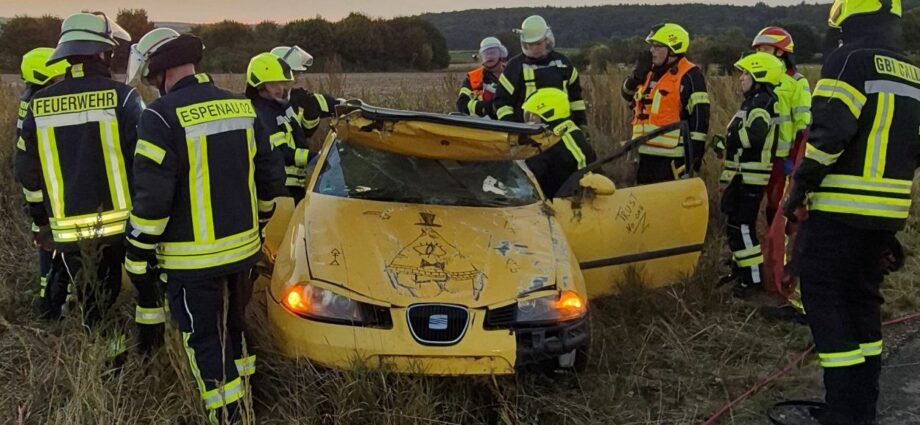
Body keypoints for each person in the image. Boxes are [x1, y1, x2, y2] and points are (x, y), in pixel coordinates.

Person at [125, 28, 286, 423]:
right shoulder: (241, 108)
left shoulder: (160, 117)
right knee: (235, 325)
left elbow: (152, 200)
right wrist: (261, 222)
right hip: (244, 251)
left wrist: (138, 251)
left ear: (160, 72)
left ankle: (227, 415)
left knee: (204, 340)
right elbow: (270, 179)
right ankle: (251, 396)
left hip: (190, 260)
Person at [781, 0, 918, 422]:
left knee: (824, 299)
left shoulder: (849, 59)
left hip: (839, 208)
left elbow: (830, 132)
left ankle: (843, 410)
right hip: (887, 211)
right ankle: (862, 405)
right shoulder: (913, 72)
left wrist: (799, 186)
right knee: (862, 303)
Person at [15, 13, 141, 340]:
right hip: (119, 228)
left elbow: (26, 172)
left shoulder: (38, 105)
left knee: (86, 295)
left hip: (66, 230)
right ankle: (110, 353)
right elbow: (145, 162)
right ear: (103, 53)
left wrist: (42, 220)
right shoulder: (123, 97)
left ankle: (79, 341)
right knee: (114, 296)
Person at [715, 52, 785, 294]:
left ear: (759, 76)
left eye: (746, 73)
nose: (741, 78)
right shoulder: (755, 100)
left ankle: (751, 282)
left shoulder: (761, 103)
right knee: (736, 227)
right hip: (742, 176)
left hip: (749, 178)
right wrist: (724, 145)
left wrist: (731, 139)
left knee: (742, 228)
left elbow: (755, 135)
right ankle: (740, 273)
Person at [622, 23, 709, 184]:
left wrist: (693, 158)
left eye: (657, 47)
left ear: (673, 48)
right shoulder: (648, 71)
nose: (651, 51)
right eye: (651, 47)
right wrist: (635, 77)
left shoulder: (691, 75)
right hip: (644, 155)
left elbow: (699, 119)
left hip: (671, 159)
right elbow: (627, 96)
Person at [14, 47, 69, 304]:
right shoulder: (43, 104)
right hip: (49, 189)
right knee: (52, 244)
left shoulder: (31, 100)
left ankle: (48, 295)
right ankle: (53, 300)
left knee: (45, 241)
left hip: (37, 191)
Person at [751, 26, 813, 223]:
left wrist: (795, 159)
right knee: (760, 204)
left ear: (780, 52)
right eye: (757, 50)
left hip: (783, 157)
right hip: (759, 154)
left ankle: (784, 247)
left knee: (780, 205)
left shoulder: (797, 82)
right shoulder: (758, 80)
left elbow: (803, 123)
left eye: (765, 49)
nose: (760, 54)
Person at [493, 15, 587, 127]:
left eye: (538, 43)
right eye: (530, 44)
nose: (534, 48)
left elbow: (576, 99)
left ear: (547, 40)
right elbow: (502, 103)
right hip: (528, 134)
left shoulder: (564, 64)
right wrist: (513, 128)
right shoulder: (514, 67)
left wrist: (581, 125)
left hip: (563, 129)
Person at [247, 51, 312, 203]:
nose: (279, 88)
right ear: (260, 85)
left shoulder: (281, 106)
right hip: (280, 188)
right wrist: (316, 158)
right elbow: (281, 152)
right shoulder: (261, 114)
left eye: (282, 83)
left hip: (296, 184)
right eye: (273, 83)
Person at [522, 88, 596, 198]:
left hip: (566, 207)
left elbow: (528, 181)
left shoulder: (560, 142)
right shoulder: (568, 134)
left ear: (548, 114)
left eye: (534, 116)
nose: (531, 121)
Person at [270, 46, 339, 139]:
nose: (297, 79)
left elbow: (333, 104)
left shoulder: (300, 97)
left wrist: (354, 108)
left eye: (298, 74)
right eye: (294, 73)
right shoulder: (264, 106)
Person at [456, 36, 508, 118]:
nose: (489, 56)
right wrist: (484, 107)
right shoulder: (472, 78)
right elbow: (462, 104)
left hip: (510, 124)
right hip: (482, 126)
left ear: (501, 54)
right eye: (486, 53)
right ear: (481, 57)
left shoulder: (512, 73)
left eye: (493, 53)